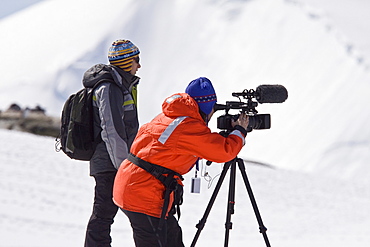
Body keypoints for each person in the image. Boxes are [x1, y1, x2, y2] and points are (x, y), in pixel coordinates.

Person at [113, 77, 249, 247]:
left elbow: (176, 148)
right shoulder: (188, 127)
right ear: (206, 106)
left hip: (134, 187)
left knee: (172, 237)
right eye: (212, 108)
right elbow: (224, 152)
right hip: (143, 194)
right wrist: (239, 131)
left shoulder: (170, 116)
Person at [83, 39, 141, 247]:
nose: (139, 65)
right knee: (104, 214)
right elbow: (112, 130)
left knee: (108, 214)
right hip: (111, 163)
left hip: (116, 161)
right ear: (126, 62)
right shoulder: (109, 88)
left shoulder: (120, 85)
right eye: (136, 60)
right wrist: (124, 166)